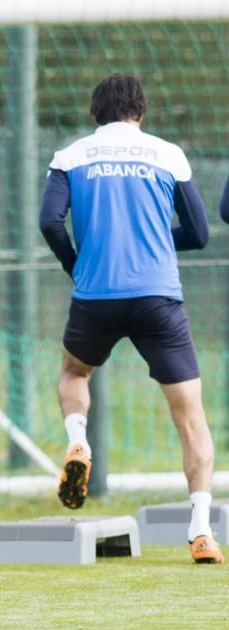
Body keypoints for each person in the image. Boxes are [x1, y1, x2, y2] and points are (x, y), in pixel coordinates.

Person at [40, 73, 221, 564]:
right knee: (190, 417)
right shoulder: (167, 155)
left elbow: (48, 222)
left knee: (75, 372)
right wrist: (158, 243)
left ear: (94, 112)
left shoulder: (70, 156)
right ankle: (201, 529)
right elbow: (201, 233)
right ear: (140, 111)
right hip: (158, 298)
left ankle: (78, 442)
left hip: (95, 293)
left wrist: (74, 261)